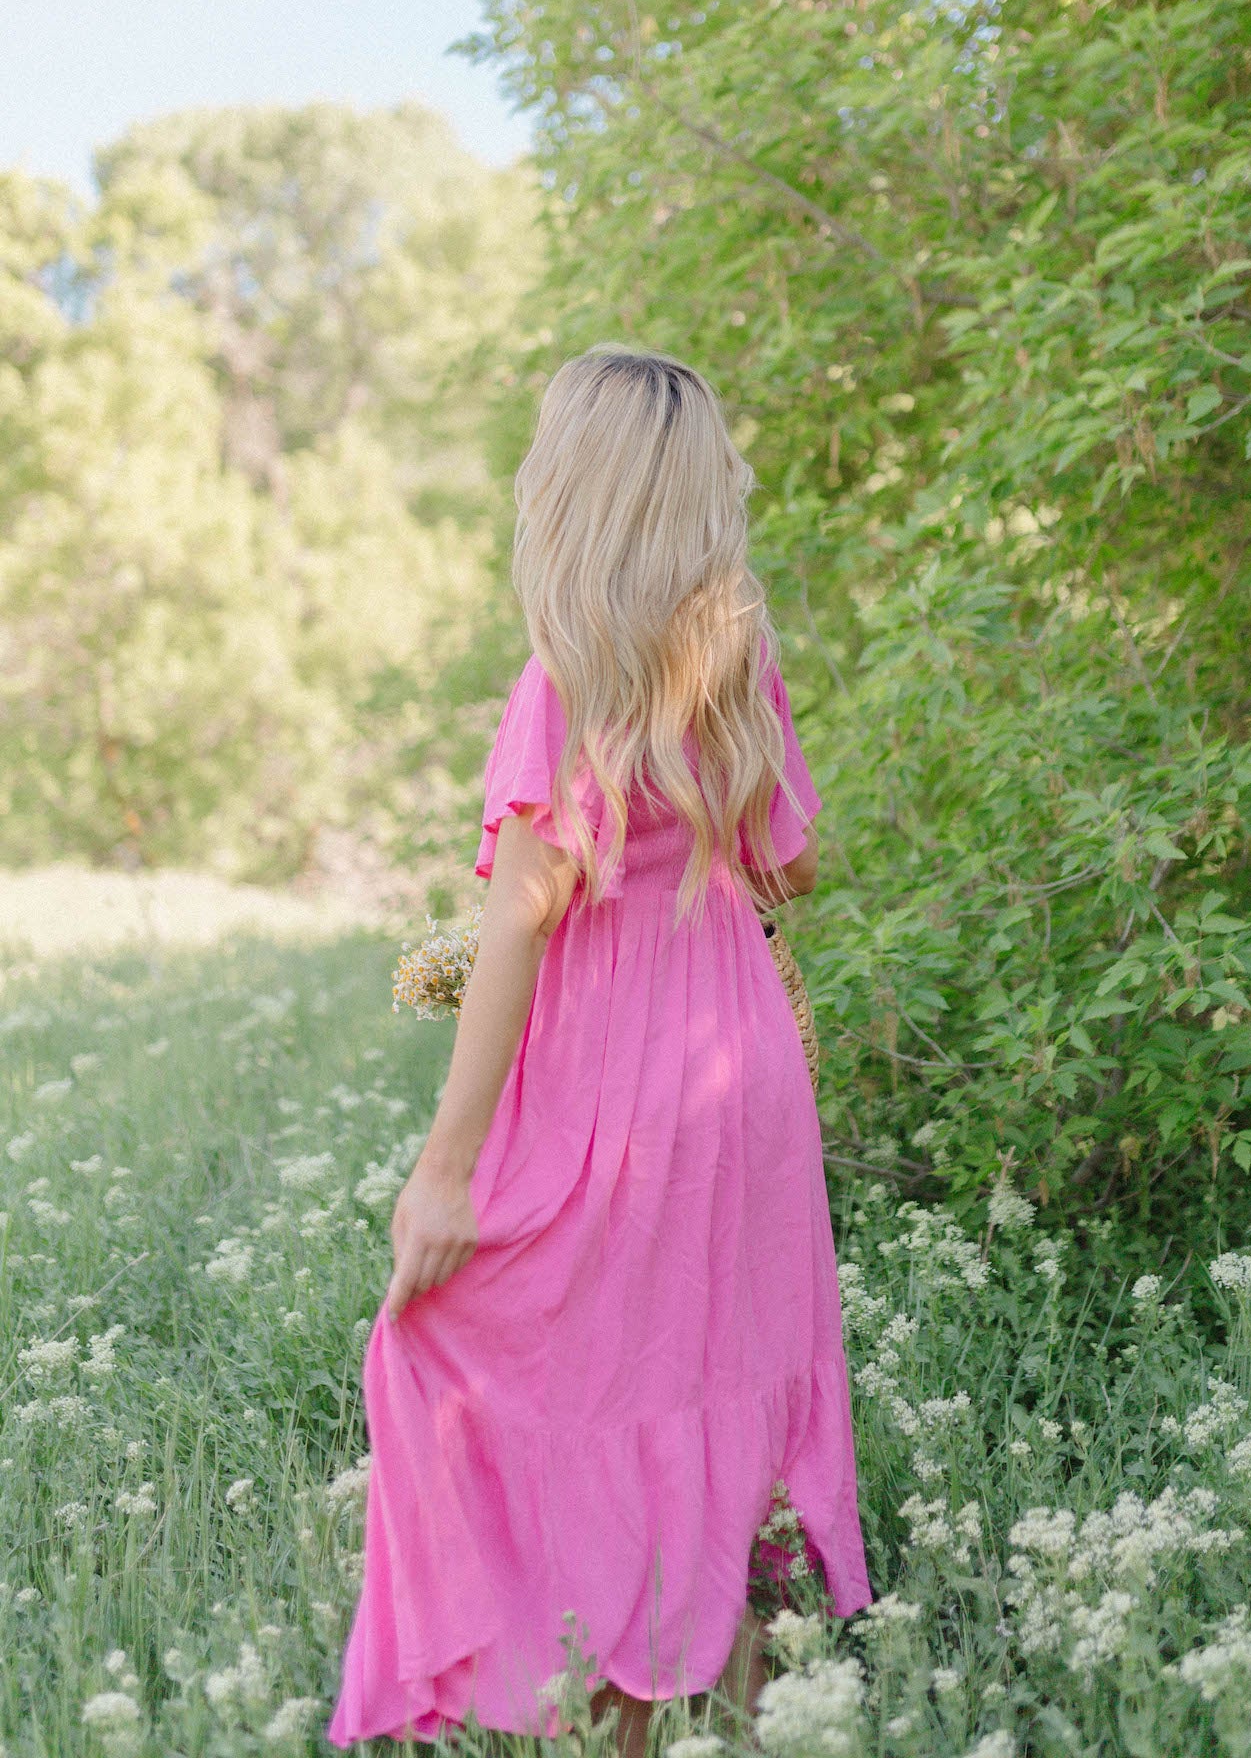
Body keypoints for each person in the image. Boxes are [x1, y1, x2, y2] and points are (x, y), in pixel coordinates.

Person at [326, 346, 873, 1753]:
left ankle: (603, 1704)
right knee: (705, 1373)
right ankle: (737, 1709)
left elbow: (518, 924)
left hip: (613, 1075)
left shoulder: (562, 676)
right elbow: (788, 869)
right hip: (737, 1058)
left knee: (444, 1342)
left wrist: (444, 1172)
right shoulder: (732, 657)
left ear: (568, 488)